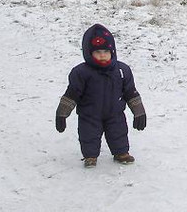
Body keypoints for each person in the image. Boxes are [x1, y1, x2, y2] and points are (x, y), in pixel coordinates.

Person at [55, 23, 146, 168]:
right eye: (97, 52)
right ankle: (90, 156)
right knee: (88, 135)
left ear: (113, 51)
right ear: (88, 53)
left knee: (119, 132)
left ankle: (121, 152)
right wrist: (62, 114)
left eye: (105, 51)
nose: (102, 55)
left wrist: (139, 112)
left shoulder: (122, 70)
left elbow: (131, 92)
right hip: (89, 114)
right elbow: (72, 94)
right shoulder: (81, 73)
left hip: (115, 113)